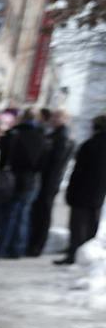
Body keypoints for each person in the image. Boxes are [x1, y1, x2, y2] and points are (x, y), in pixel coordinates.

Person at [0, 107, 46, 262]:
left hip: (4, 182)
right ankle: (6, 250)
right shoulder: (41, 139)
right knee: (16, 217)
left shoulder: (12, 135)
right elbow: (42, 164)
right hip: (27, 182)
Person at [57, 113, 106, 265]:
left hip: (82, 191)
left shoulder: (89, 145)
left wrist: (71, 191)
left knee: (78, 224)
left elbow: (78, 171)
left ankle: (74, 253)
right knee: (92, 223)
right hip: (98, 192)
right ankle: (86, 253)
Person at [26, 109, 72, 258]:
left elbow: (55, 161)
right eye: (53, 116)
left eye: (58, 116)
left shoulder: (61, 138)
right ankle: (33, 243)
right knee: (39, 211)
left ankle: (36, 244)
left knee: (43, 212)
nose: (53, 119)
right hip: (47, 179)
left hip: (49, 181)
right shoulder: (53, 135)